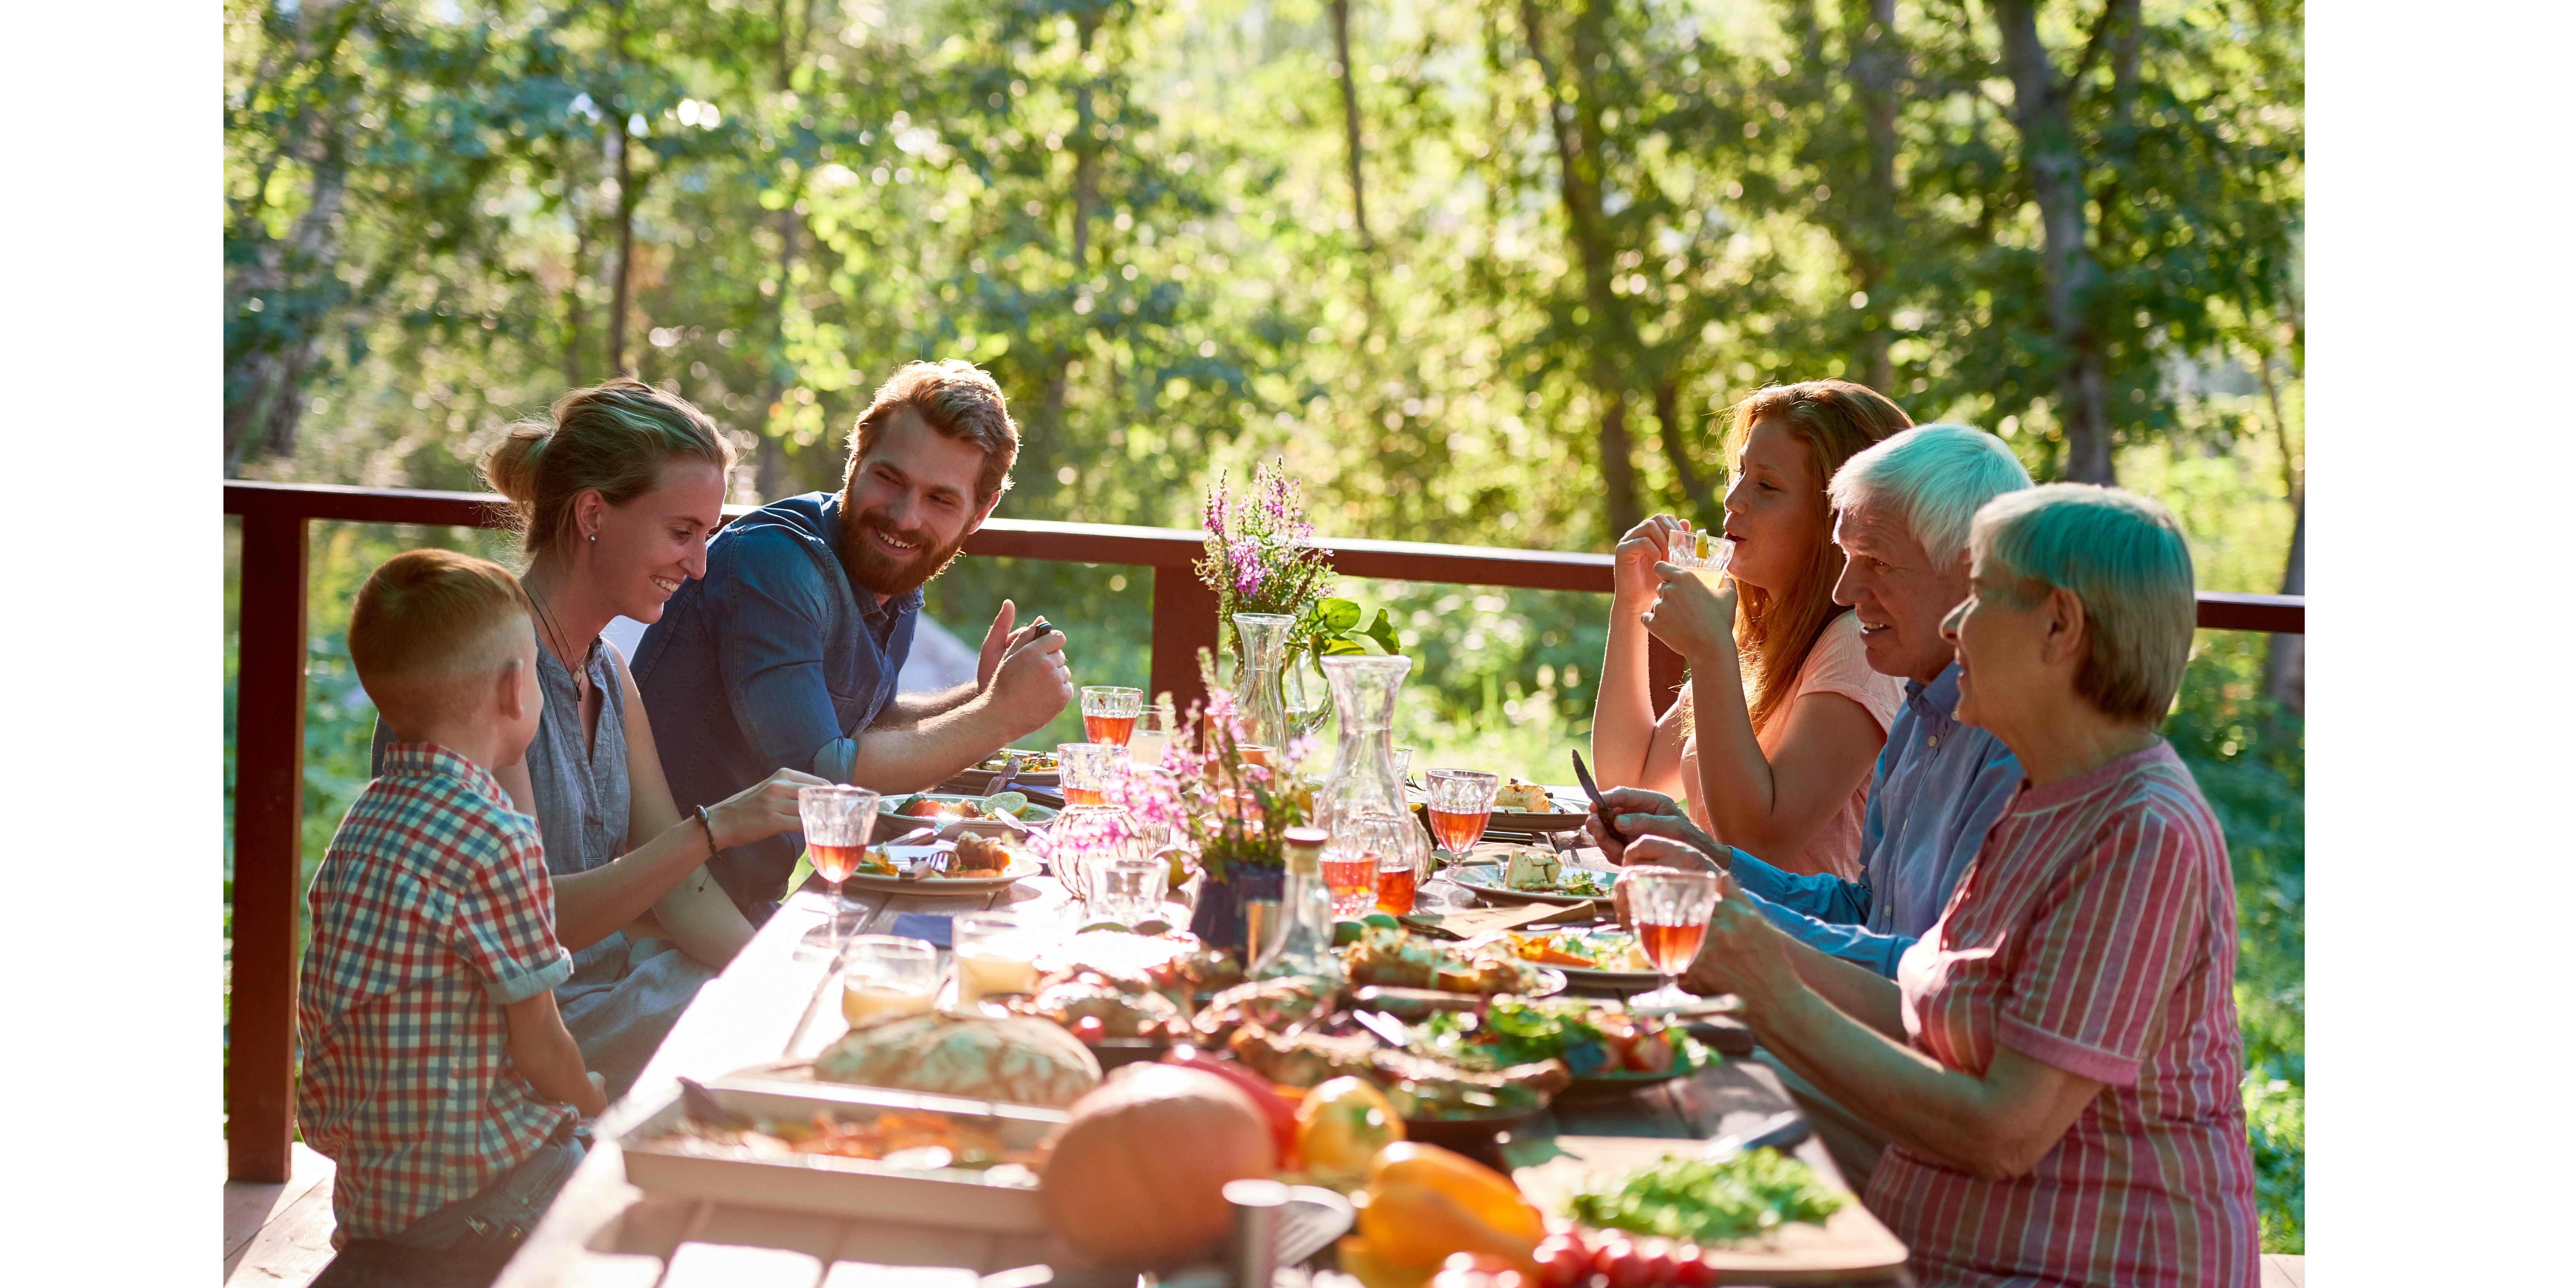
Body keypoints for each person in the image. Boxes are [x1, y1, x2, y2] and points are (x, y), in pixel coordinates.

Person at [1645, 484, 2258, 1287]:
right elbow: (1924, 1015)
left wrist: (1770, 990)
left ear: (2060, 626)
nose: (1951, 626)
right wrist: (1747, 937)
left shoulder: (2143, 832)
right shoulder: (2047, 798)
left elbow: (2003, 1132)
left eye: (1977, 599)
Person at [1589, 424, 2032, 1187]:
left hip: (1918, 1085)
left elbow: (1940, 994)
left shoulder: (2016, 744)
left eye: (1875, 563)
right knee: (1623, 1056)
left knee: (1652, 1086)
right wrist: (1713, 867)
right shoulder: (1925, 709)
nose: (1844, 588)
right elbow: (1867, 907)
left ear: (1970, 574)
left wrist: (1740, 927)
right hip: (1873, 1037)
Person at [377, 379, 825, 1100]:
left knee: (794, 1004)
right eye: (682, 533)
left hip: (597, 999)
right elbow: (530, 921)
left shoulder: (609, 670)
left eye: (707, 536)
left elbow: (682, 893)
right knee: (763, 1056)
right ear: (593, 514)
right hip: (500, 1041)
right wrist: (715, 828)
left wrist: (783, 985)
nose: (700, 565)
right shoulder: (486, 676)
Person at [637, 360, 1075, 918]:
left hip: (749, 903)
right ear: (855, 461)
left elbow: (862, 724)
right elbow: (822, 778)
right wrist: (997, 718)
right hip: (664, 916)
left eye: (941, 500)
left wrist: (980, 696)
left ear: (980, 513)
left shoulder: (892, 568)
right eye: (890, 479)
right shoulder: (775, 561)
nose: (904, 517)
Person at [302, 550, 606, 1270]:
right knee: (630, 1179)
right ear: (512, 689)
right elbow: (541, 1048)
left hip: (375, 1192)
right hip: (481, 1193)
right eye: (534, 668)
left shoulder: (362, 824)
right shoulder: (496, 835)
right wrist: (592, 1098)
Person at [1589, 380, 1910, 879]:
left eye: (1767, 486)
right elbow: (1628, 778)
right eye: (1739, 473)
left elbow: (1759, 845)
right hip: (1712, 927)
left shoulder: (1857, 644)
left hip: (1795, 950)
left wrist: (1710, 650)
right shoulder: (1760, 636)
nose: (1734, 500)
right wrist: (1631, 605)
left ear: (1838, 522)